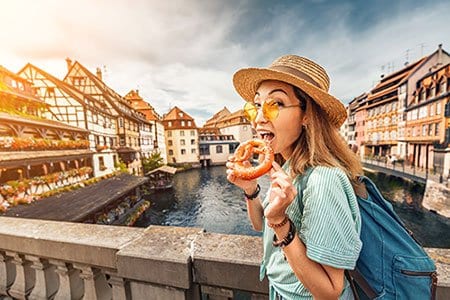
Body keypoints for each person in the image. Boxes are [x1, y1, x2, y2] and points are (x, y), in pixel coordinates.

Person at [226, 55, 365, 299]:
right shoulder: (288, 168)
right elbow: (261, 224)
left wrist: (281, 222)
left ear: (307, 115)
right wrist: (251, 190)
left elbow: (330, 291)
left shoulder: (323, 180)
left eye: (276, 104)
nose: (259, 118)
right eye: (257, 105)